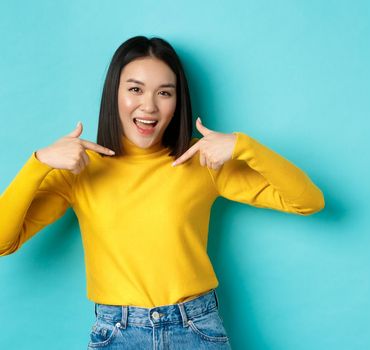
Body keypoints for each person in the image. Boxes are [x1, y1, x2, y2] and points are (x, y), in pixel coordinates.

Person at [0, 35, 325, 349]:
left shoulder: (204, 160)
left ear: (177, 102)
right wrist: (38, 163)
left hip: (196, 329)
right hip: (117, 332)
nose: (149, 106)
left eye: (164, 93)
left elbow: (308, 201)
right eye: (135, 89)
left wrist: (243, 146)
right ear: (114, 94)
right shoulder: (79, 170)